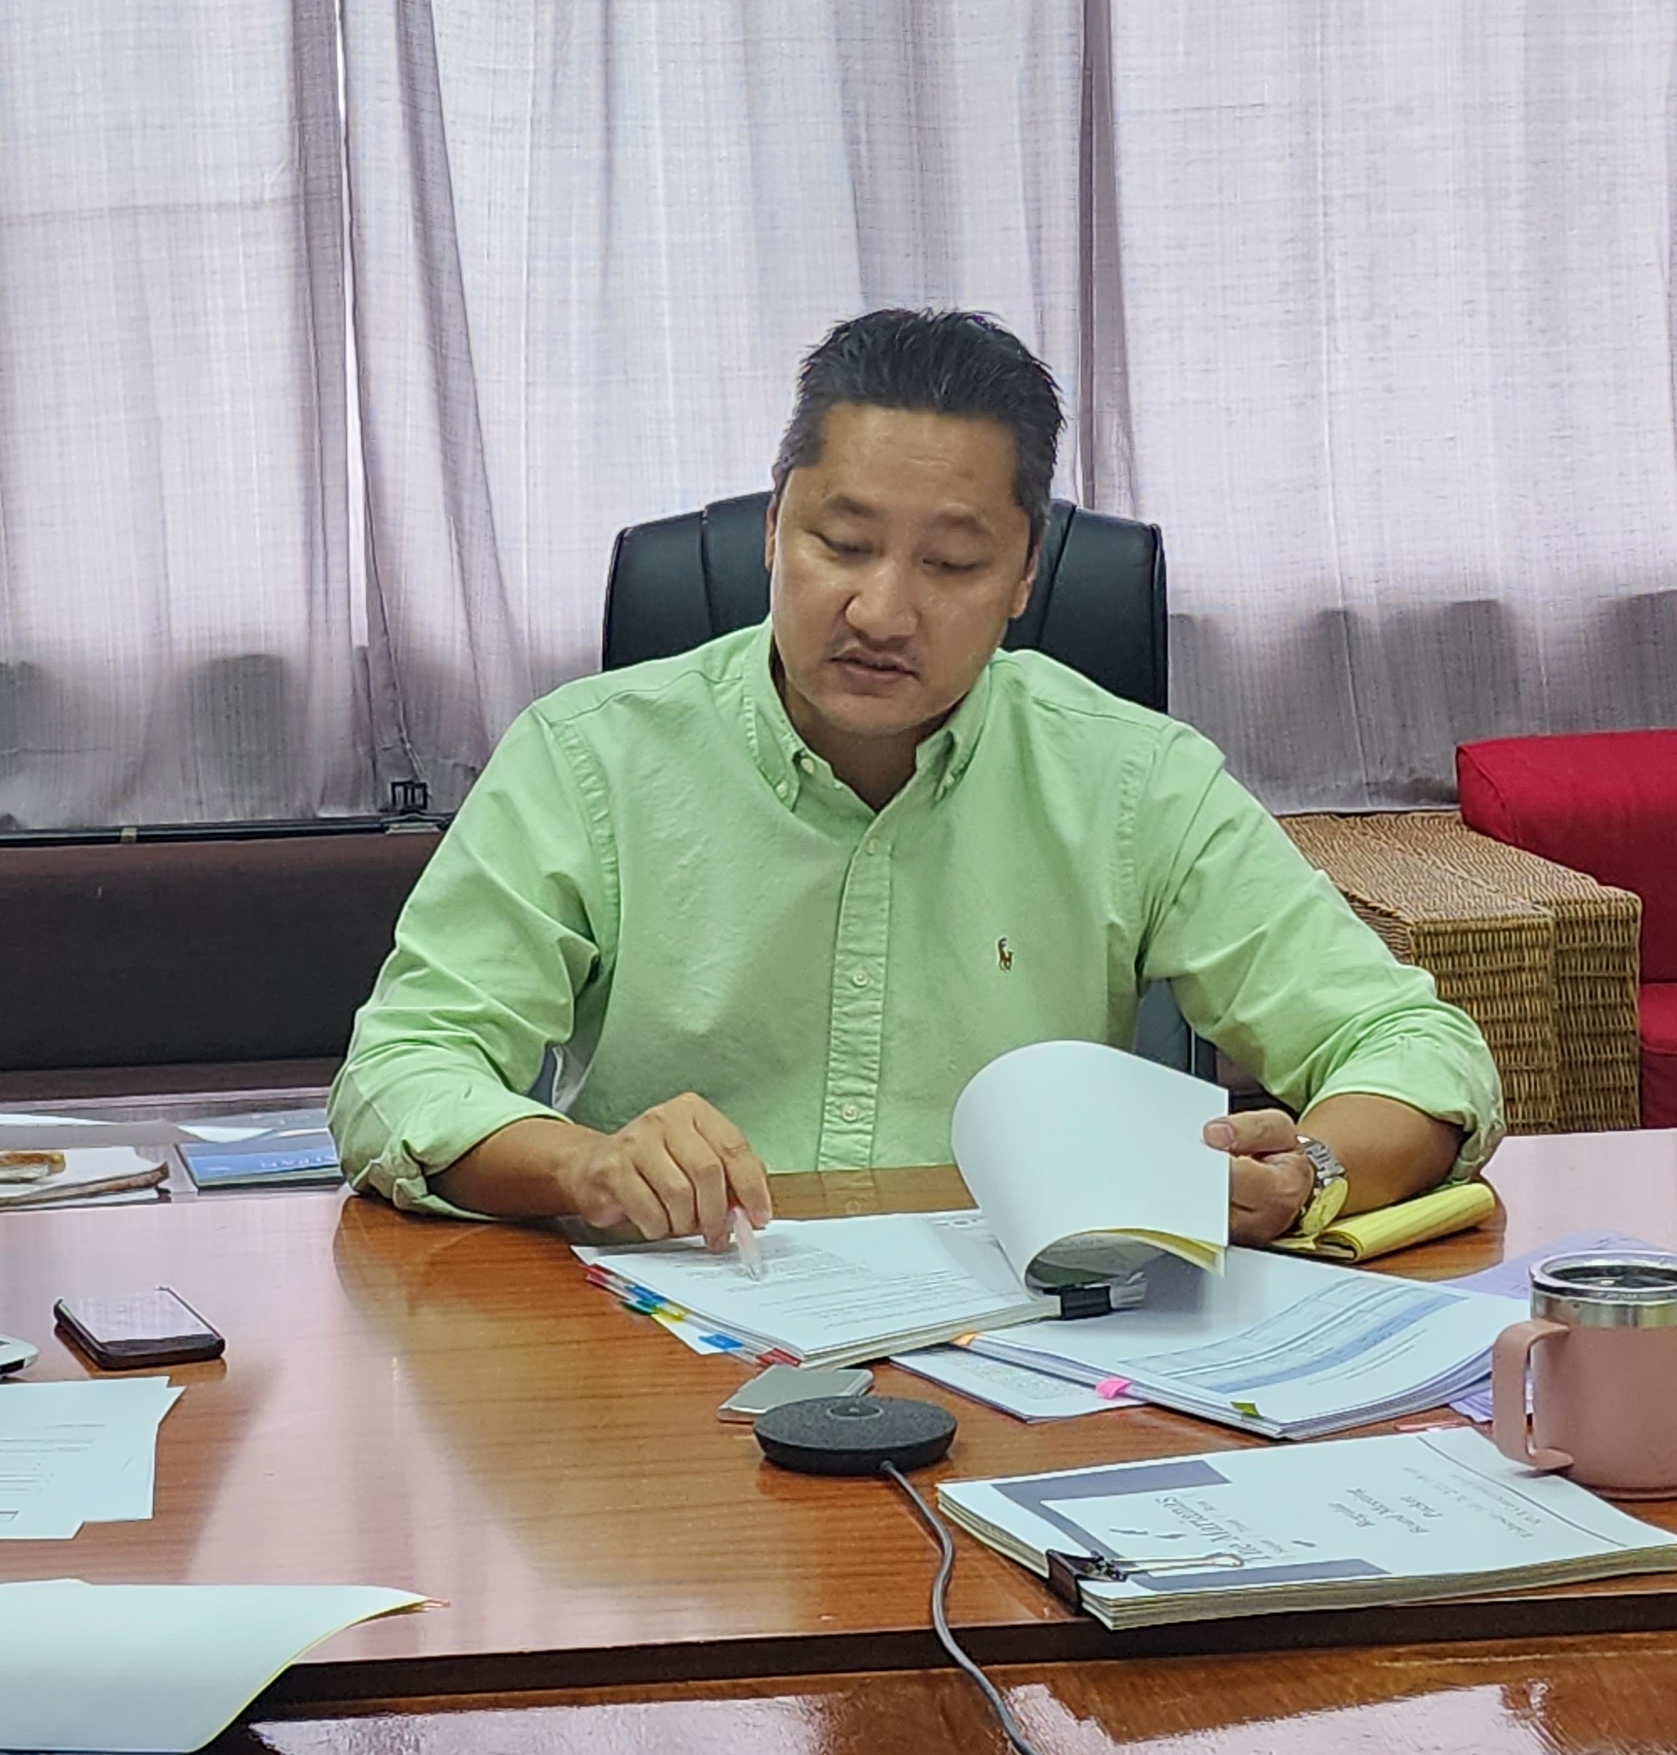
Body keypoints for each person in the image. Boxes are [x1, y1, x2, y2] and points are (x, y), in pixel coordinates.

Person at [332, 308, 1502, 1243]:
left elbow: (1416, 1047)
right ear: (771, 530)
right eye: (838, 544)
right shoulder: (587, 757)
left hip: (1034, 1353)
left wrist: (1314, 1169)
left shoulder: (1133, 778)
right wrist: (586, 1165)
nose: (879, 611)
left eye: (949, 563)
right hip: (675, 1331)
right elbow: (402, 1070)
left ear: (1026, 577)